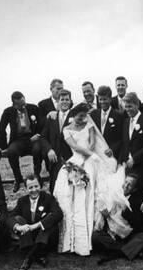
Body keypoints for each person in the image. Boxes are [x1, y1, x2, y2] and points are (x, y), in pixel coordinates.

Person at [54, 102, 131, 256]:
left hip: (91, 159)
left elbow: (92, 142)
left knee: (90, 195)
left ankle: (91, 238)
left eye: (84, 116)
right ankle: (73, 240)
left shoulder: (88, 124)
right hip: (76, 160)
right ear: (73, 115)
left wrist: (91, 156)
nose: (82, 119)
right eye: (79, 116)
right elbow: (75, 147)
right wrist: (85, 157)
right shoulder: (67, 130)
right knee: (70, 198)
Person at [8, 174, 63, 270]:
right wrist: (18, 227)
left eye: (36, 186)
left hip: (43, 235)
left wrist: (37, 225)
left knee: (48, 221)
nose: (34, 190)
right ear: (26, 189)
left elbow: (58, 214)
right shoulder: (22, 201)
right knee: (18, 219)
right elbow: (10, 217)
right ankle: (39, 255)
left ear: (40, 186)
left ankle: (28, 258)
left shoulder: (48, 198)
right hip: (29, 236)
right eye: (30, 187)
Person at [92, 173, 143, 262]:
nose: (125, 186)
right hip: (113, 235)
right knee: (95, 236)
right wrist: (105, 214)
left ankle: (118, 251)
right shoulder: (113, 195)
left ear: (134, 189)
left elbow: (138, 225)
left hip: (128, 235)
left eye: (130, 185)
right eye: (125, 182)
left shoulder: (137, 201)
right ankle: (127, 250)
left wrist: (124, 213)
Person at [0, 91, 42, 193]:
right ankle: (18, 179)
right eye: (21, 105)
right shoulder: (8, 111)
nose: (24, 106)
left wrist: (38, 135)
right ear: (14, 104)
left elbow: (41, 123)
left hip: (33, 138)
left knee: (37, 149)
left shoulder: (33, 108)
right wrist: (4, 147)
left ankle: (36, 176)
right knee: (11, 152)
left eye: (24, 103)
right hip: (18, 140)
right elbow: (1, 129)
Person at [40, 89, 73, 193]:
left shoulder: (75, 117)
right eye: (62, 99)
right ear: (58, 101)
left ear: (70, 101)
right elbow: (43, 137)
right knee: (55, 189)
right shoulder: (51, 117)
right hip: (55, 160)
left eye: (67, 99)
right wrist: (49, 150)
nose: (64, 102)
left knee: (71, 188)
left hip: (71, 158)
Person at [119, 92, 143, 175]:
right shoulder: (125, 122)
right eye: (126, 107)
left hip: (142, 166)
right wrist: (122, 160)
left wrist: (134, 159)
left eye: (130, 106)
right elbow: (124, 143)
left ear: (137, 105)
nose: (127, 109)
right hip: (127, 166)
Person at [90, 85, 124, 161]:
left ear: (110, 99)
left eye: (105, 99)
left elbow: (121, 138)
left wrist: (112, 149)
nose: (102, 102)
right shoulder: (93, 114)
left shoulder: (118, 116)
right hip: (97, 155)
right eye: (100, 99)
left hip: (111, 155)